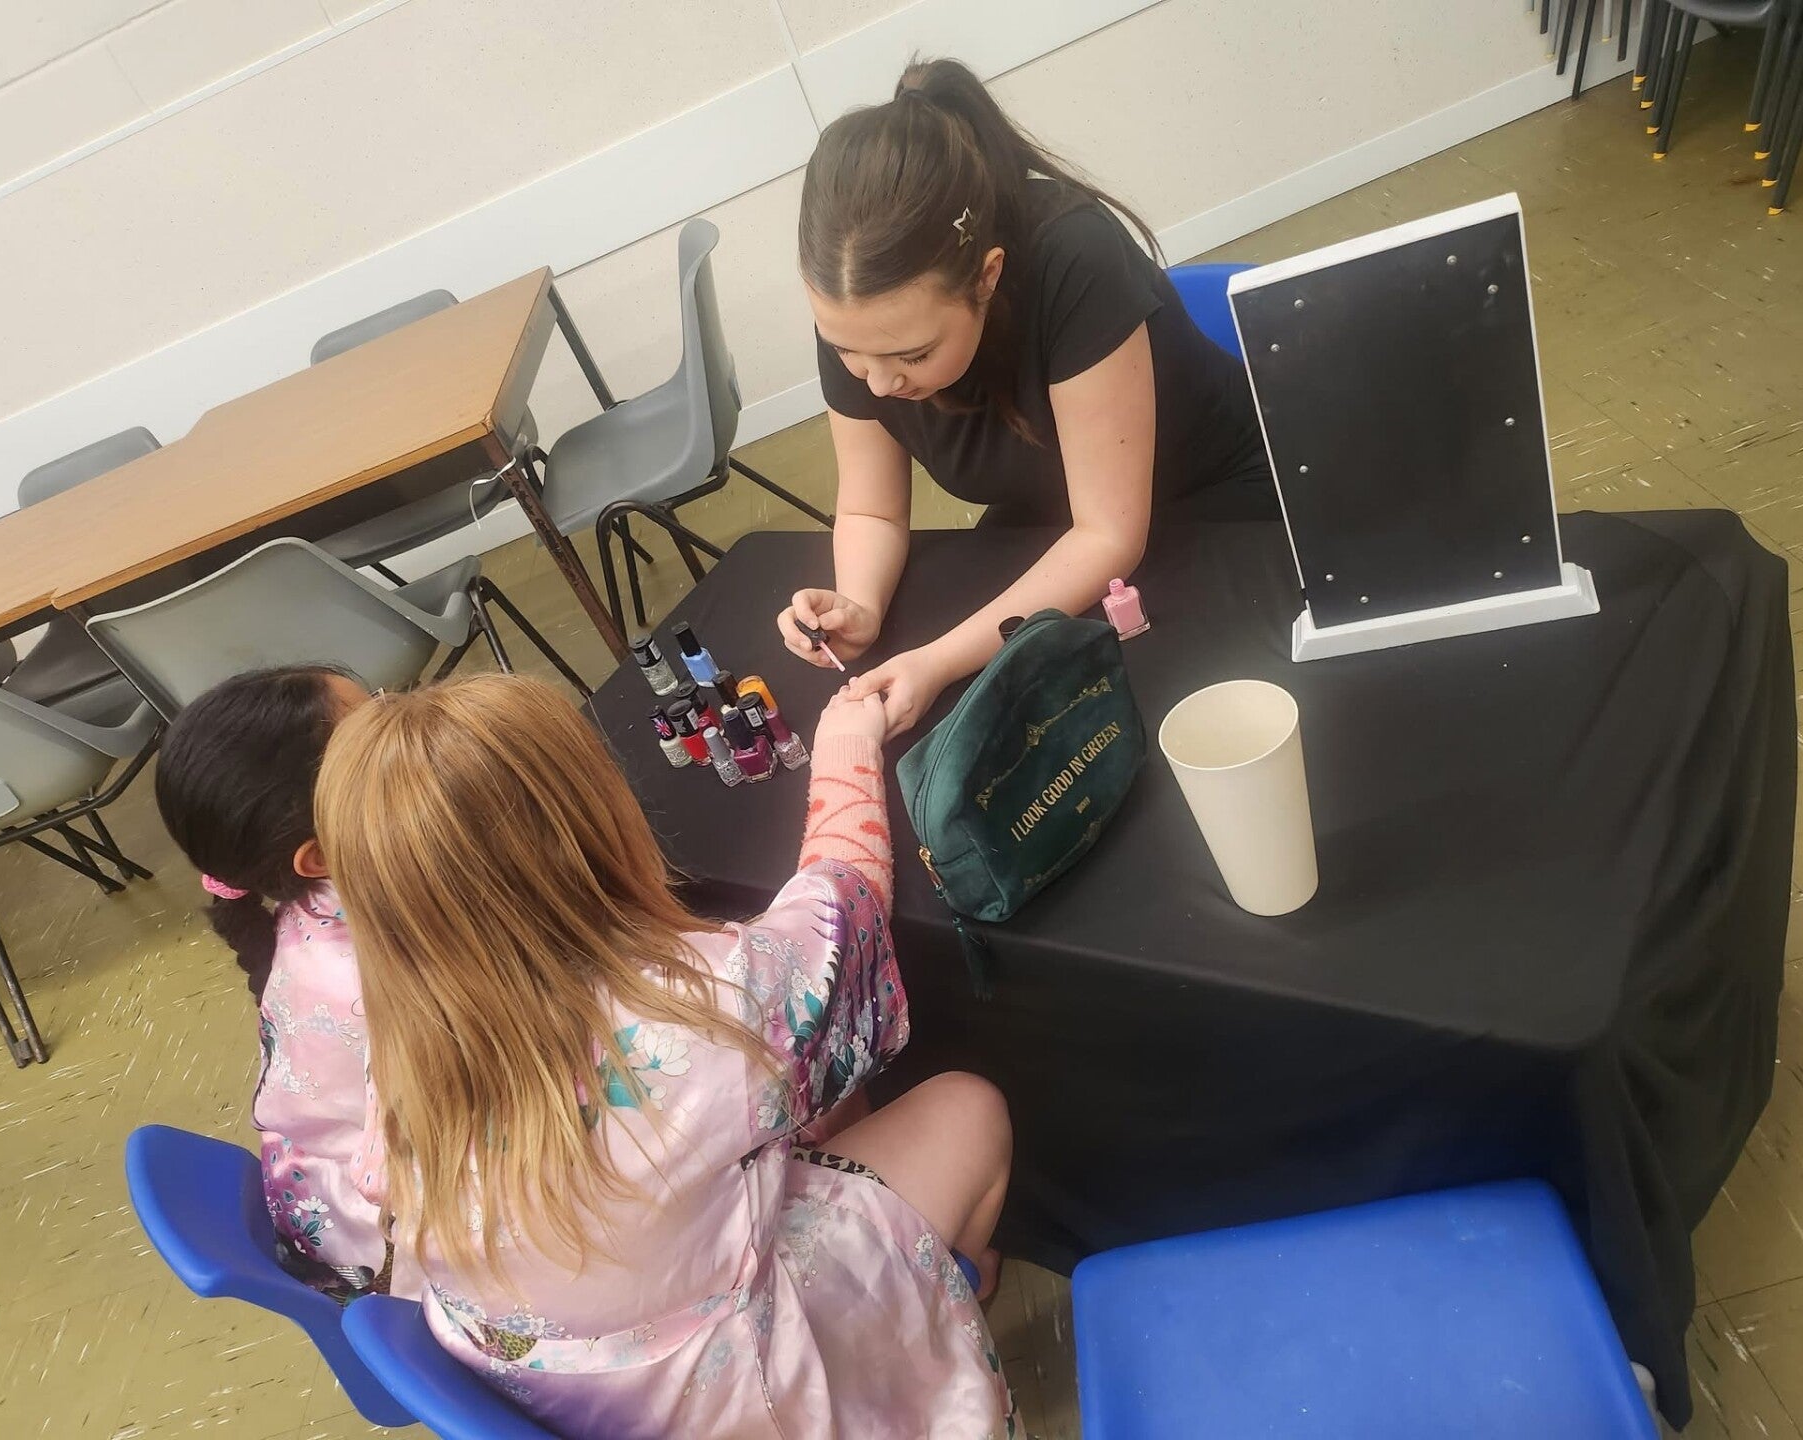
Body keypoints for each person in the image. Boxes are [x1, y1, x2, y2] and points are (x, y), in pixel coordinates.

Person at [316, 675, 1015, 1438]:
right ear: (593, 818)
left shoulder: (401, 1035)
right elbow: (844, 909)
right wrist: (848, 738)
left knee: (814, 1108)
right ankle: (944, 1301)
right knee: (967, 1109)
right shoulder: (703, 1013)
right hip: (740, 1398)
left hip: (567, 1384)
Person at [777, 57, 1273, 737]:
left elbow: (1108, 536)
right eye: (846, 352)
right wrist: (857, 605)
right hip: (1060, 519)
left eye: (912, 355)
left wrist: (937, 662)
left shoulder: (1074, 258)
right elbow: (871, 509)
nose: (879, 384)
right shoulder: (860, 317)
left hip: (1215, 501)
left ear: (988, 277)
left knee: (1161, 713)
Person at [154, 665, 403, 1301]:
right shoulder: (393, 971)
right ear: (316, 854)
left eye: (380, 701)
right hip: (386, 1243)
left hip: (332, 1184)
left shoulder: (321, 898)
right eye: (375, 730)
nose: (404, 717)